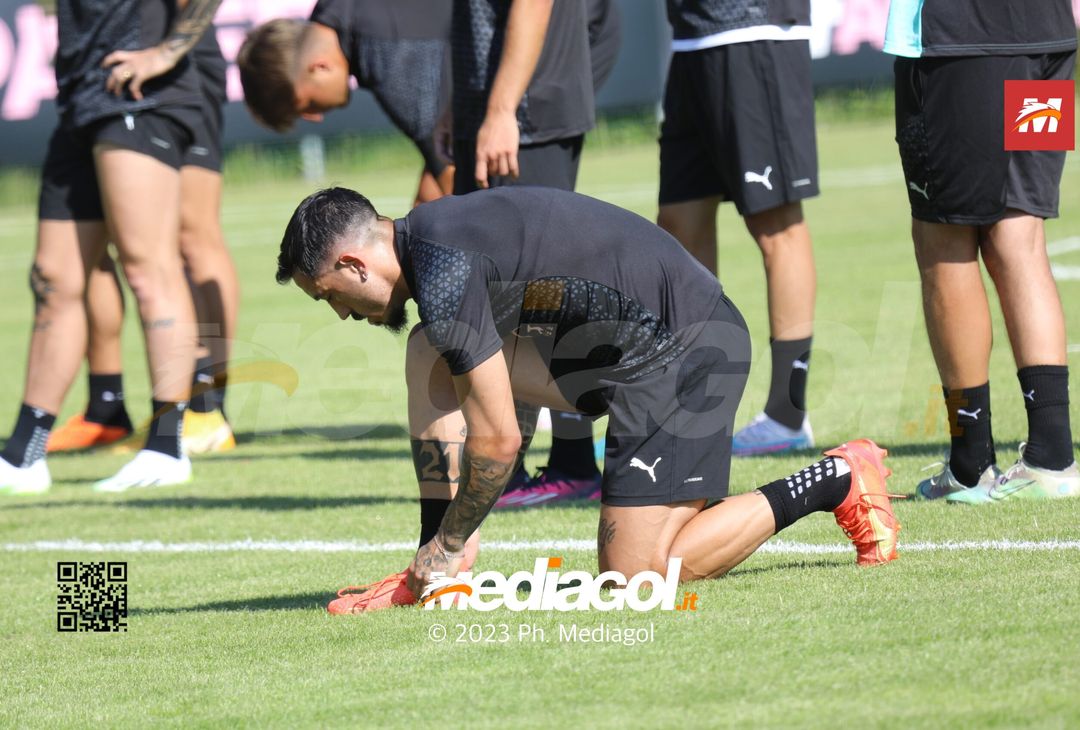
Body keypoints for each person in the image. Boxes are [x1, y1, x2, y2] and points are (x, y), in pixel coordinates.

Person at [273, 186, 902, 613]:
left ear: (354, 265)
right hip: (614, 354)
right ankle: (442, 575)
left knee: (637, 582)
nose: (340, 314)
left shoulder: (443, 267)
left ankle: (838, 477)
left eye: (328, 295)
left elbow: (498, 444)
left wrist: (451, 536)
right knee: (426, 352)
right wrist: (441, 546)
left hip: (685, 350)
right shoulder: (431, 243)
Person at [0, 0, 223, 496]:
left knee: (149, 270)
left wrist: (166, 51)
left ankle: (167, 446)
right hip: (82, 96)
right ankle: (23, 454)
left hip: (141, 98)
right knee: (53, 278)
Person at [884, 0, 1079, 502]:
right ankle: (1052, 457)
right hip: (1047, 39)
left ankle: (971, 464)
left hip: (961, 41)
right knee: (1021, 238)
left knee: (943, 240)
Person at [446, 0, 615, 507]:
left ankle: (574, 463)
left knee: (546, 293)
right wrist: (463, 110)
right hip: (501, 111)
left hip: (525, 116)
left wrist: (500, 111)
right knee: (507, 299)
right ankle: (524, 466)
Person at [47, 24, 239, 457]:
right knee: (95, 241)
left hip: (174, 66)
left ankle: (207, 407)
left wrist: (170, 50)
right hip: (94, 71)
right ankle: (105, 407)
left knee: (191, 236)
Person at [657, 0, 819, 457]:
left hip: (753, 32)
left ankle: (788, 415)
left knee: (775, 226)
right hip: (692, 37)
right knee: (677, 226)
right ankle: (694, 408)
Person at [237, 0, 455, 206]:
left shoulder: (389, 62)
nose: (316, 117)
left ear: (318, 66)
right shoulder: (339, 11)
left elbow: (463, 186)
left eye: (307, 105)